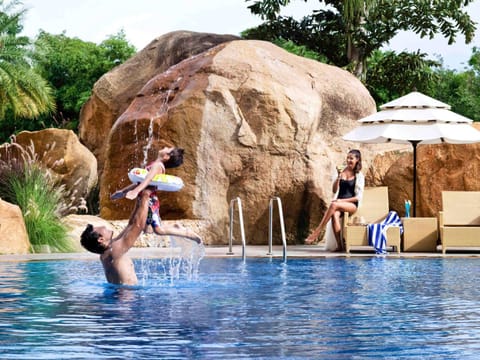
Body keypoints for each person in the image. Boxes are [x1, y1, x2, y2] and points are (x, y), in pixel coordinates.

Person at [111, 146, 202, 244]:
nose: (165, 147)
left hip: (149, 201)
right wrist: (123, 192)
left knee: (159, 230)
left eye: (168, 148)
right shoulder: (155, 164)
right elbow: (140, 181)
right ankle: (114, 242)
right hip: (143, 198)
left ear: (166, 157)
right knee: (133, 223)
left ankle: (184, 231)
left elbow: (148, 179)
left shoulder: (157, 166)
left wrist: (135, 191)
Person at [80, 187, 156, 285]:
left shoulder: (107, 253)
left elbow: (131, 224)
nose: (103, 226)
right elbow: (139, 225)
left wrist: (139, 198)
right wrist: (146, 194)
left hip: (119, 296)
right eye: (100, 228)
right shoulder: (115, 251)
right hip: (127, 298)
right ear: (101, 239)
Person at [305, 149, 364, 251]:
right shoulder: (341, 171)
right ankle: (340, 246)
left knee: (333, 205)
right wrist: (338, 178)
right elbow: (334, 190)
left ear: (357, 160)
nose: (349, 160)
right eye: (348, 158)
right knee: (335, 215)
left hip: (352, 205)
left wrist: (341, 201)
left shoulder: (359, 176)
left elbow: (358, 197)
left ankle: (317, 231)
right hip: (339, 203)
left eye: (351, 158)